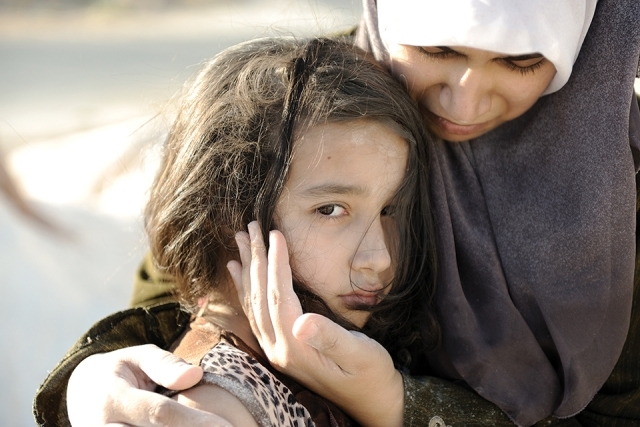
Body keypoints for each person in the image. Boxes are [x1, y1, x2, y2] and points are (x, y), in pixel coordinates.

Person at [33, 0, 640, 426]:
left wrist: (401, 407)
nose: (463, 101)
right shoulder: (313, 98)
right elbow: (191, 282)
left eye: (520, 61)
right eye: (436, 48)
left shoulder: (623, 177)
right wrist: (91, 379)